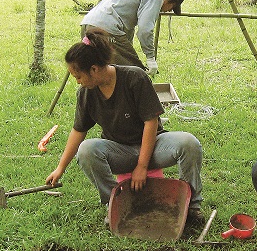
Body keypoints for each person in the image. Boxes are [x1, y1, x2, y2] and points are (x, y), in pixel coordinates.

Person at [46, 29, 203, 220]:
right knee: (86, 149)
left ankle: (192, 206)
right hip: (120, 152)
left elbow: (150, 123)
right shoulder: (86, 93)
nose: (78, 82)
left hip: (154, 147)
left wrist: (142, 167)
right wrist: (60, 168)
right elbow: (78, 131)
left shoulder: (134, 78)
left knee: (189, 143)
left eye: (78, 76)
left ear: (94, 69)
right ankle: (116, 204)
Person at [81, 0, 186, 76]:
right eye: (172, 6)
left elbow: (127, 32)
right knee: (134, 72)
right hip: (105, 29)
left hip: (88, 24)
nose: (169, 11)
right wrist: (150, 58)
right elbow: (145, 30)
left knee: (99, 69)